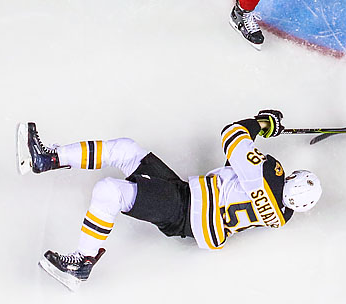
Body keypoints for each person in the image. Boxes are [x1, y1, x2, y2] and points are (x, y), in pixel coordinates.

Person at [16, 111, 321, 291]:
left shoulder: (266, 175)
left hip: (185, 211)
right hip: (189, 201)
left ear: (291, 178)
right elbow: (235, 176)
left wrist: (263, 123)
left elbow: (233, 134)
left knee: (109, 192)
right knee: (126, 149)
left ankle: (81, 263)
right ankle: (46, 159)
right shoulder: (281, 214)